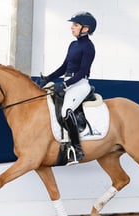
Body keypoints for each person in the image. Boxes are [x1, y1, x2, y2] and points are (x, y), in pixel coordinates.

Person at [40, 11, 97, 162]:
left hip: (80, 84)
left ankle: (77, 147)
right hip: (69, 83)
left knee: (66, 110)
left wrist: (64, 84)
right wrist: (48, 78)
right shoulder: (73, 44)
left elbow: (83, 71)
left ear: (85, 29)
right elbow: (64, 66)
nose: (72, 27)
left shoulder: (89, 47)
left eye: (75, 25)